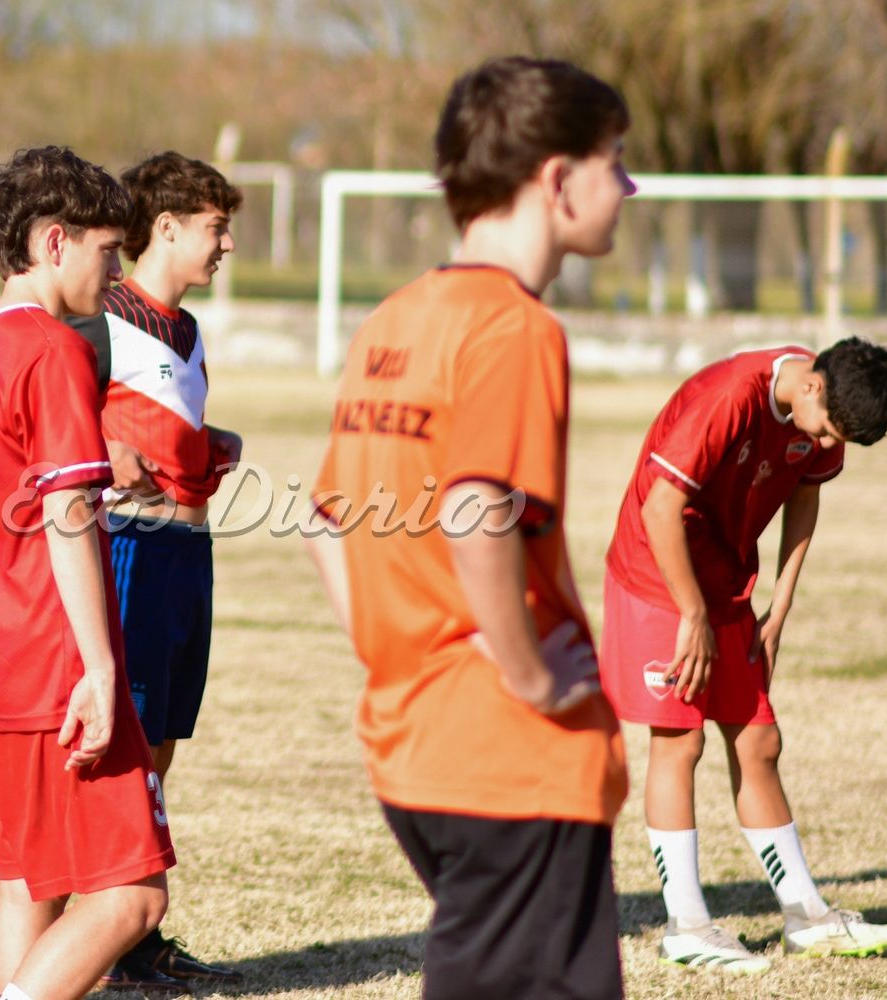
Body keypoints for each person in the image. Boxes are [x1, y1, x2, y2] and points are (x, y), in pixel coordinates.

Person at [305, 56, 633, 1000]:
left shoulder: (395, 318)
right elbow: (473, 507)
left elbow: (328, 521)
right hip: (509, 757)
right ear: (559, 180)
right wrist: (529, 673)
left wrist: (400, 652)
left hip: (413, 745)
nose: (627, 186)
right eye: (615, 161)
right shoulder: (516, 328)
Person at [0, 146, 174, 1000]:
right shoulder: (51, 349)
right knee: (132, 897)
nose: (117, 273)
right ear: (54, 241)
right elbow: (68, 515)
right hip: (48, 660)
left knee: (32, 881)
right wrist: (101, 669)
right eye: (108, 252)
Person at [600, 337, 887, 972]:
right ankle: (687, 926)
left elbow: (806, 491)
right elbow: (661, 506)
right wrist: (690, 613)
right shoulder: (729, 398)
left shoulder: (823, 414)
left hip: (725, 584)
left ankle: (807, 916)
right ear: (812, 386)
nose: (829, 446)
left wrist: (781, 605)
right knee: (680, 742)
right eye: (829, 430)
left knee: (759, 743)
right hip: (659, 578)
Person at [65, 150, 244, 993]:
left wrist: (214, 449)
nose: (227, 245)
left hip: (187, 556)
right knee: (116, 747)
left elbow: (167, 430)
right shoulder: (100, 319)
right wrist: (101, 449)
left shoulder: (191, 332)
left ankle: (131, 935)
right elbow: (48, 418)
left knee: (161, 746)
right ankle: (82, 932)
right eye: (216, 227)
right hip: (127, 551)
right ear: (166, 227)